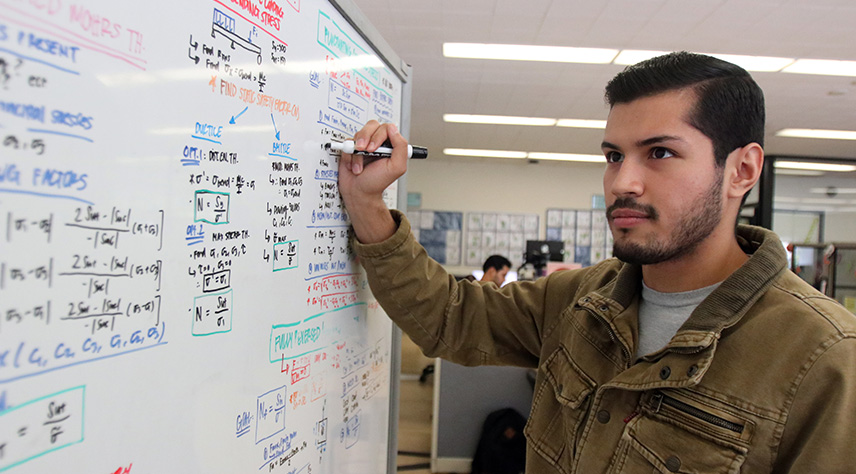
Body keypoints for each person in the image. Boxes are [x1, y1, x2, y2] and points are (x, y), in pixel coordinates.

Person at [338, 52, 856, 473]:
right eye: (613, 156)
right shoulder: (583, 299)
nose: (622, 182)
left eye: (659, 153)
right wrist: (367, 204)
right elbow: (453, 316)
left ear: (741, 170)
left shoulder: (824, 359)